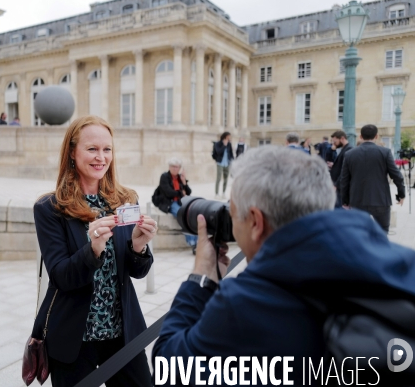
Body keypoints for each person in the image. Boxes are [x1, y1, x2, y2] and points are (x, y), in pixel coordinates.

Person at [152, 146, 415, 384]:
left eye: (233, 214)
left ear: (255, 221)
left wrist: (201, 278)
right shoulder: (402, 262)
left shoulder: (247, 302)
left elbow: (169, 368)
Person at [32, 116, 156, 386]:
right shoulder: (49, 208)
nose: (101, 157)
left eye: (107, 149)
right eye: (92, 149)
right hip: (74, 338)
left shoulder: (124, 200)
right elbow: (61, 277)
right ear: (72, 153)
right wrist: (92, 250)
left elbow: (137, 272)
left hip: (122, 333)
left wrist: (138, 245)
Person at [340, 124, 406, 233]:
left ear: (360, 136)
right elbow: (397, 175)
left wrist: (345, 201)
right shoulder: (385, 152)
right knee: (382, 233)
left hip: (357, 200)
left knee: (359, 233)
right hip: (380, 200)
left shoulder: (349, 154)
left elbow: (344, 180)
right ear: (376, 136)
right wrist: (401, 194)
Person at [153, 158, 198, 253]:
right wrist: (181, 192)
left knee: (191, 215)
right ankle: (193, 243)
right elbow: (169, 192)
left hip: (180, 202)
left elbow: (189, 192)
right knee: (182, 215)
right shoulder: (164, 176)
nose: (175, 169)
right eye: (173, 166)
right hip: (169, 203)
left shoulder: (179, 177)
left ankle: (197, 242)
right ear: (169, 167)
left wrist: (184, 182)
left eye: (177, 167)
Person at [326, 130, 352, 208]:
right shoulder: (345, 149)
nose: (333, 143)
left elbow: (345, 170)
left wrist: (336, 185)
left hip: (340, 186)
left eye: (335, 141)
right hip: (339, 185)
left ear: (342, 138)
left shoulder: (348, 149)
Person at [212, 132, 234, 199]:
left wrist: (232, 161)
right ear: (225, 136)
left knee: (226, 179)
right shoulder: (218, 143)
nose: (229, 138)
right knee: (218, 178)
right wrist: (224, 145)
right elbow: (218, 152)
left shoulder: (229, 144)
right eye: (228, 137)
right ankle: (216, 193)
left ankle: (223, 193)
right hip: (220, 163)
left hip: (227, 163)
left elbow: (231, 153)